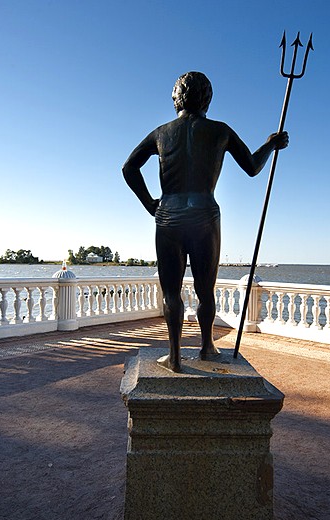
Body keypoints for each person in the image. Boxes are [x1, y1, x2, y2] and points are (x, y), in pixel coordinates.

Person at [123, 71, 288, 372]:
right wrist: (270, 145)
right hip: (204, 216)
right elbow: (252, 167)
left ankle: (173, 356)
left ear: (176, 98)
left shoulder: (161, 133)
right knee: (205, 290)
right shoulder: (219, 130)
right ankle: (206, 346)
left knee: (171, 292)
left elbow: (129, 168)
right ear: (207, 99)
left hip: (169, 216)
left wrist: (150, 204)